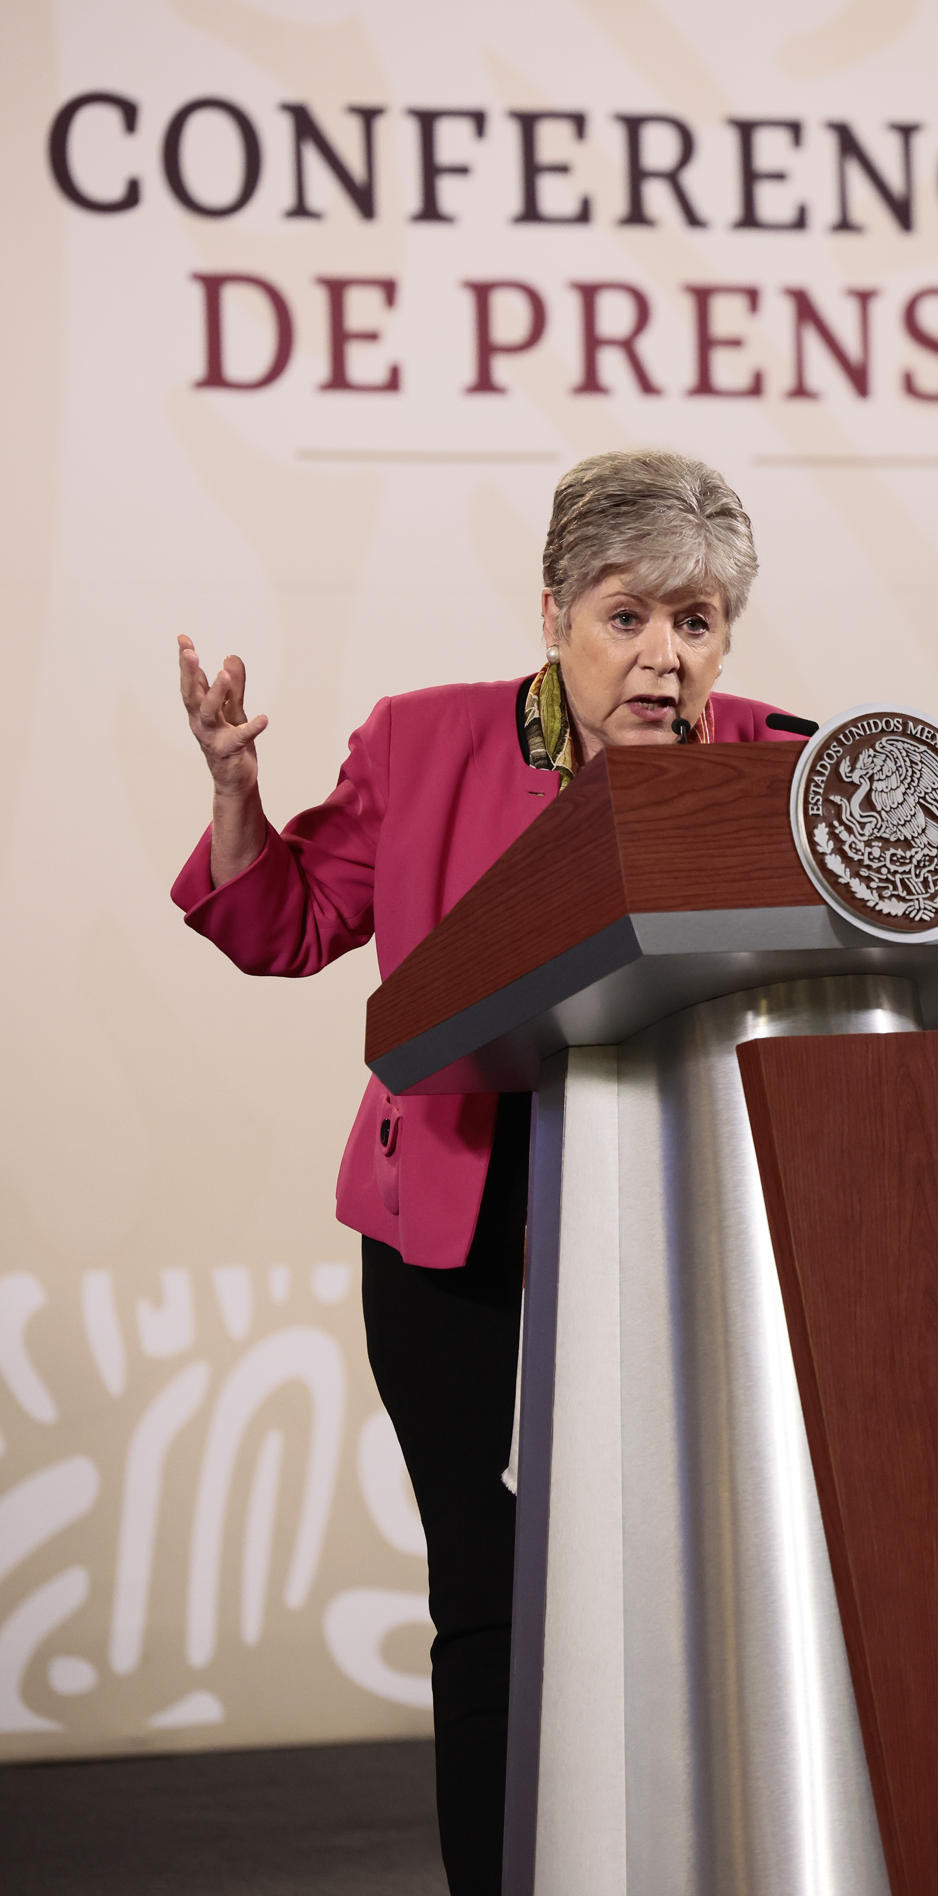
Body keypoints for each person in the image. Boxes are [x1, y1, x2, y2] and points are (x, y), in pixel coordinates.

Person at [172, 448, 797, 1896]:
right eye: (630, 617)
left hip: (673, 1223)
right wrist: (233, 797)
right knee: (492, 1590)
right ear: (555, 613)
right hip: (457, 1218)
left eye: (698, 624)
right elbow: (283, 924)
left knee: (681, 1578)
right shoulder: (425, 742)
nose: (665, 660)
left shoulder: (774, 763)